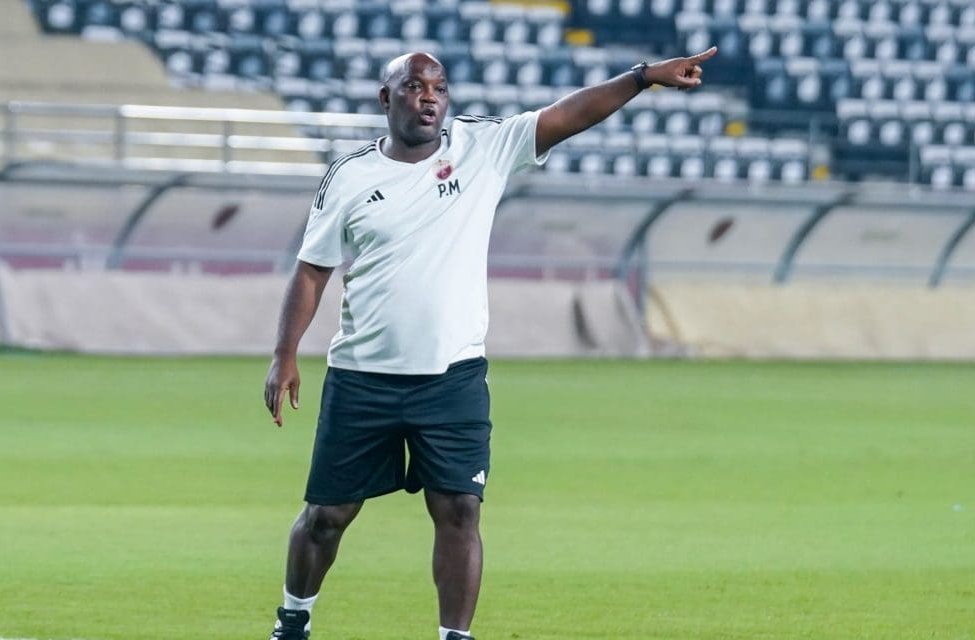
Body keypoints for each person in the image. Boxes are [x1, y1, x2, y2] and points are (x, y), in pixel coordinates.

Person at [263, 47, 718, 640]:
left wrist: (642, 78)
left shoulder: (480, 147)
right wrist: (285, 354)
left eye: (439, 88)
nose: (429, 98)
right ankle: (293, 620)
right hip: (364, 377)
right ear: (386, 98)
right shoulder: (349, 176)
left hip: (452, 377)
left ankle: (455, 636)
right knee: (327, 515)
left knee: (459, 510)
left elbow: (567, 115)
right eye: (414, 87)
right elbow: (312, 270)